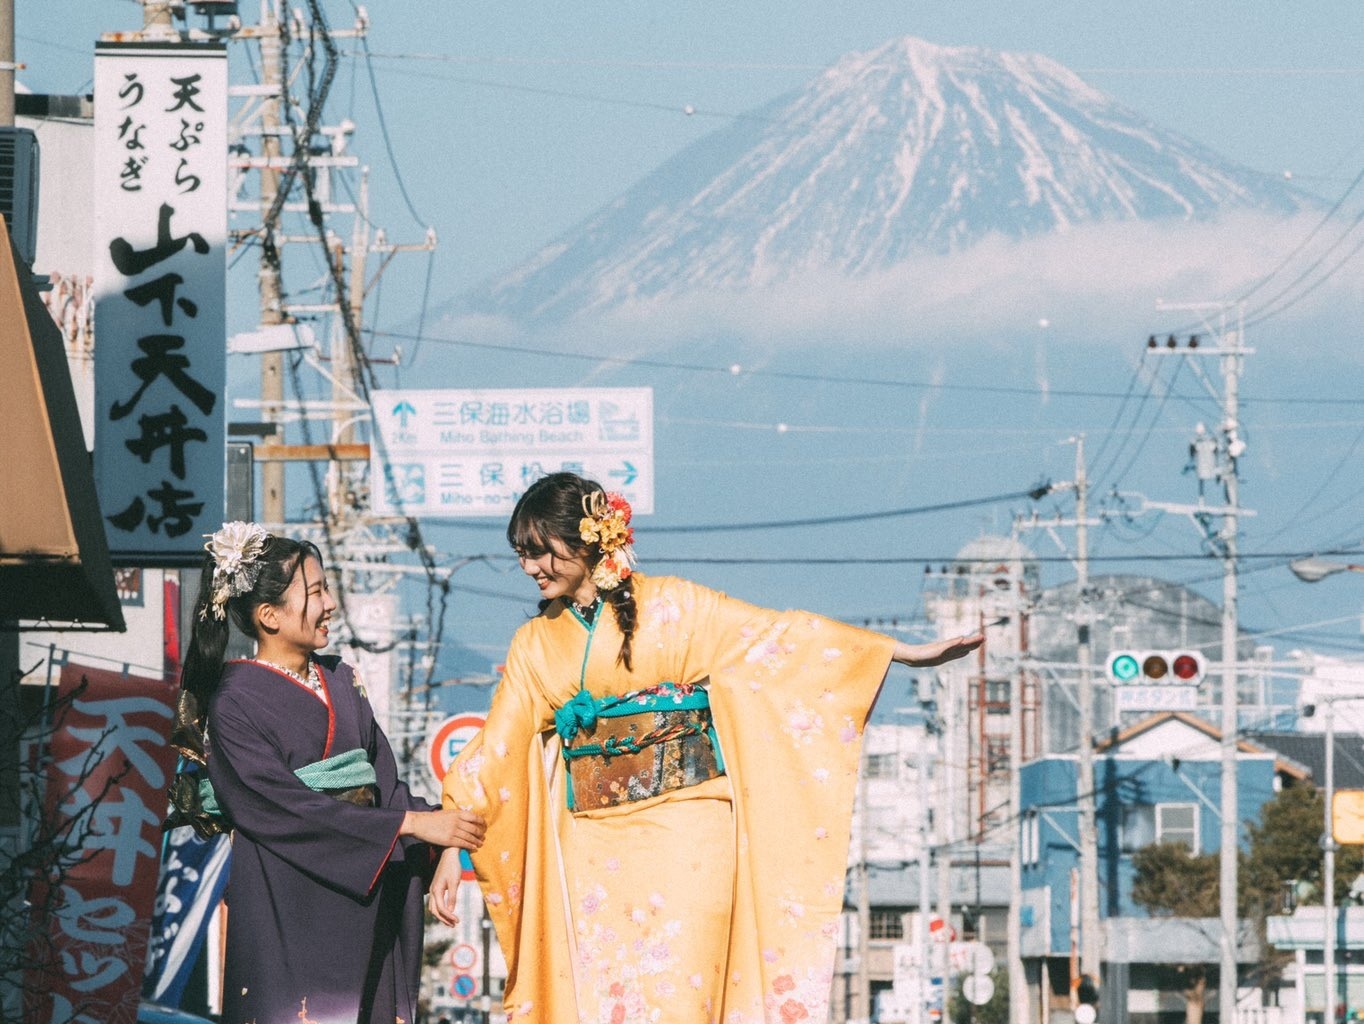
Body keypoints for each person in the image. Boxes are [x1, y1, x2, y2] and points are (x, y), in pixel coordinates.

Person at [431, 473, 982, 1023]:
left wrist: (897, 653)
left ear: (586, 539)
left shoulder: (674, 606)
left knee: (682, 993)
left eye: (539, 551)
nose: (530, 568)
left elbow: (777, 639)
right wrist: (454, 846)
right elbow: (497, 751)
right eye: (522, 555)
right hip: (592, 845)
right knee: (604, 997)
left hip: (690, 832)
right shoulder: (534, 645)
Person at [170, 522, 486, 1024]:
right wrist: (406, 826)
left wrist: (444, 844)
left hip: (369, 894)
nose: (331, 603)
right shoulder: (233, 702)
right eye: (316, 591)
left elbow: (388, 787)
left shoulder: (341, 679)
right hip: (287, 897)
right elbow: (276, 806)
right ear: (269, 616)